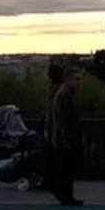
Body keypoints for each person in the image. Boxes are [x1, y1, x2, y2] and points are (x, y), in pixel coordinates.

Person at [49, 69, 84, 206]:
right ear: (69, 79)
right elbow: (63, 120)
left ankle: (66, 196)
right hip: (64, 141)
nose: (79, 83)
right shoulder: (64, 95)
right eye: (77, 80)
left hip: (62, 140)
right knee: (66, 171)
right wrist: (68, 139)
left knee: (66, 170)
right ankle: (66, 197)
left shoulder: (63, 94)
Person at [42, 63, 64, 199]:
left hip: (52, 131)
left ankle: (55, 186)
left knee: (53, 162)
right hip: (57, 131)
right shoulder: (61, 91)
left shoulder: (53, 92)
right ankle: (60, 189)